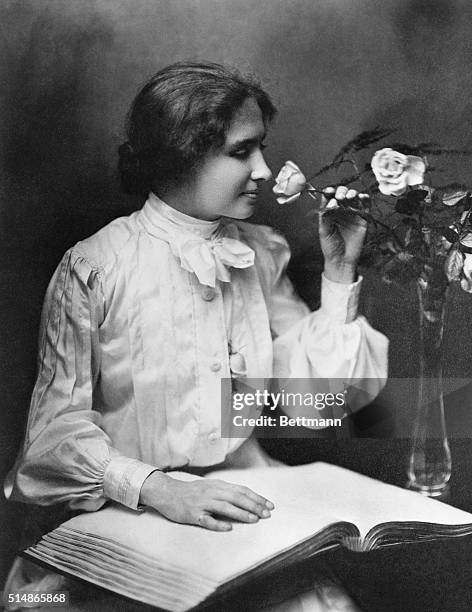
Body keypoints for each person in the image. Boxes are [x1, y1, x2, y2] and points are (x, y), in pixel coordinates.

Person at [4, 62, 388, 610]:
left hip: (244, 495)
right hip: (119, 510)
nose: (263, 169)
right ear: (181, 153)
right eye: (241, 151)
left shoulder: (260, 251)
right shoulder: (96, 267)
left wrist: (339, 273)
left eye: (261, 149)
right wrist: (157, 489)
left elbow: (314, 401)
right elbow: (50, 440)